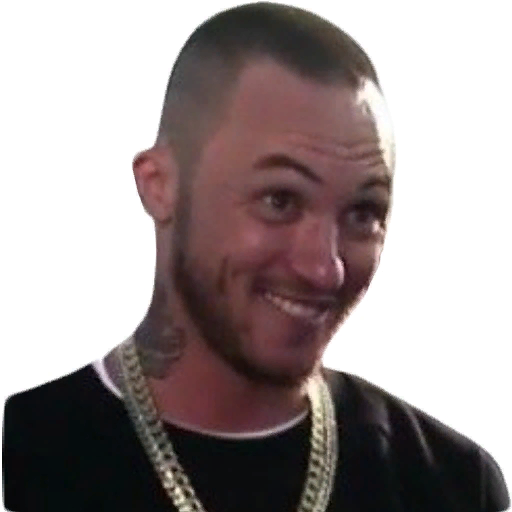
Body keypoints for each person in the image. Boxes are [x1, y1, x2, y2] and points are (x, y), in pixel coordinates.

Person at [2, 3, 509, 511]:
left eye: (362, 213)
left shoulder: (451, 486)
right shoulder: (24, 455)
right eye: (280, 200)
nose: (324, 268)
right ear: (159, 186)